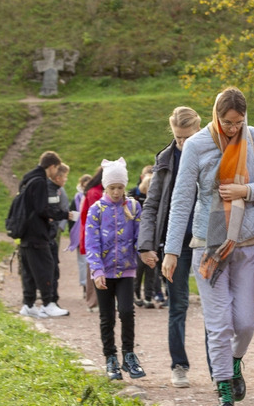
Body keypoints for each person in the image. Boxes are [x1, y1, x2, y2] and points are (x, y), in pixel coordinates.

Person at [162, 87, 254, 406]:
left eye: (238, 122)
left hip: (247, 240)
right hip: (208, 243)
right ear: (216, 115)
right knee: (219, 322)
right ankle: (224, 385)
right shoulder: (196, 145)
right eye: (227, 122)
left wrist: (245, 189)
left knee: (245, 321)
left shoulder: (253, 137)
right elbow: (182, 199)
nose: (233, 128)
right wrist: (171, 252)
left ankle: (235, 362)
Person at [137, 106, 202, 388]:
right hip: (176, 244)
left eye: (188, 137)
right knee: (178, 305)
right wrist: (146, 245)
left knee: (217, 307)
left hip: (207, 241)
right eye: (178, 138)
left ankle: (222, 369)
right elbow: (151, 206)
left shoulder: (214, 152)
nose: (183, 144)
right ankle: (179, 365)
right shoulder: (165, 159)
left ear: (199, 130)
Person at [85, 157, 146, 381]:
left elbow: (140, 237)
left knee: (128, 312)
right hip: (103, 273)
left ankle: (129, 355)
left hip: (127, 270)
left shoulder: (133, 206)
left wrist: (146, 253)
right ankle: (110, 358)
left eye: (120, 187)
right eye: (112, 187)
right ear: (105, 186)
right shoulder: (96, 209)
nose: (117, 192)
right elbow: (91, 243)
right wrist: (97, 271)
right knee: (107, 316)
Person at [17, 151, 70, 319]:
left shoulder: (27, 178)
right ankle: (48, 304)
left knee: (29, 270)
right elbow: (42, 208)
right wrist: (62, 214)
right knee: (47, 266)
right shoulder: (40, 182)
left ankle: (29, 304)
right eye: (57, 168)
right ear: (52, 166)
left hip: (24, 231)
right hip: (37, 232)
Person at [130, 166, 157, 308]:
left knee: (151, 269)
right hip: (139, 240)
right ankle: (136, 294)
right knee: (139, 269)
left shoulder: (157, 201)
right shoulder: (134, 198)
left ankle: (147, 296)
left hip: (152, 239)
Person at [79, 167, 104, 311]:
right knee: (93, 268)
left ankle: (99, 300)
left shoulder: (98, 191)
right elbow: (96, 218)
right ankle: (93, 301)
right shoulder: (95, 192)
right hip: (95, 237)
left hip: (101, 236)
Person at [46, 162, 71, 307]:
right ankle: (49, 299)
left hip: (55, 229)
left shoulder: (60, 190)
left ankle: (51, 298)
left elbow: (63, 207)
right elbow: (54, 211)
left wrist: (60, 227)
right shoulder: (50, 190)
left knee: (54, 265)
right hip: (49, 232)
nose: (66, 180)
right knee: (50, 265)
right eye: (65, 177)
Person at [66, 173, 92, 297]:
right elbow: (72, 217)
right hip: (80, 233)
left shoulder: (94, 196)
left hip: (91, 232)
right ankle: (84, 285)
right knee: (82, 261)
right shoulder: (77, 198)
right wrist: (73, 233)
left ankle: (92, 285)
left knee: (92, 260)